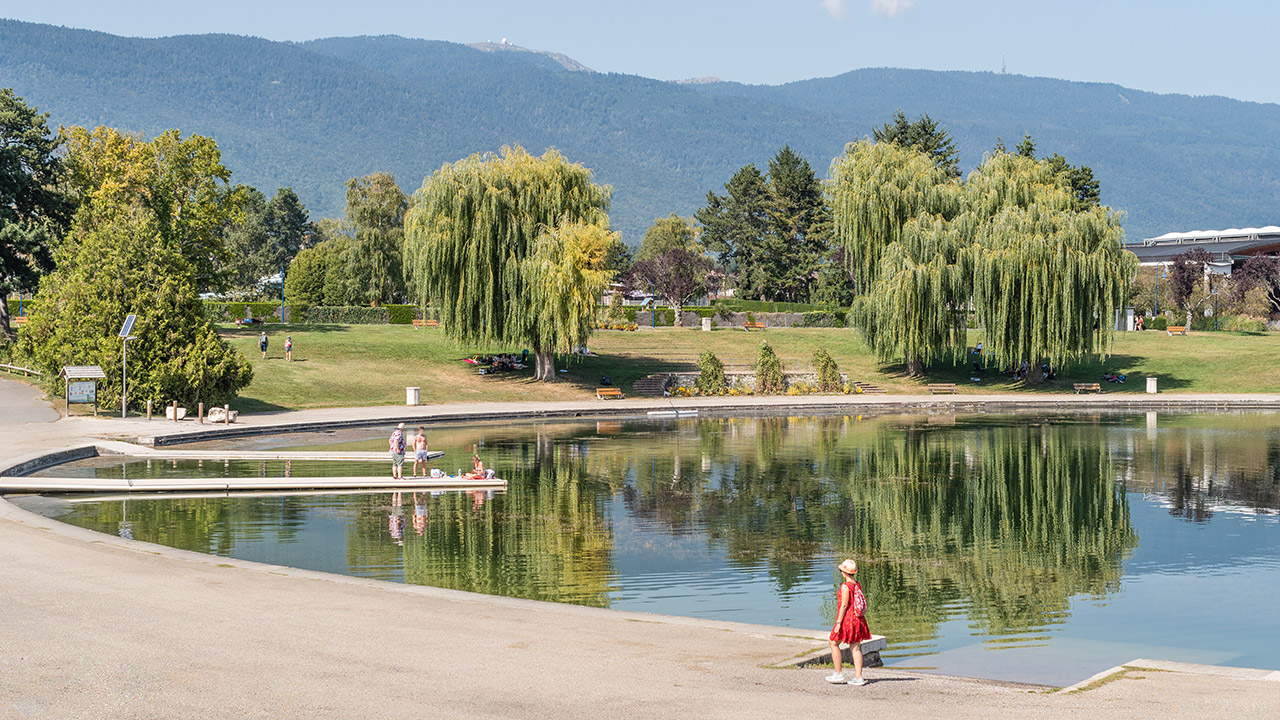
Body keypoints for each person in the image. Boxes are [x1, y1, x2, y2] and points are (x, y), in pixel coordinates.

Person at [826, 558, 871, 686]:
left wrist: (839, 622)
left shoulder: (846, 586)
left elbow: (844, 605)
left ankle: (838, 673)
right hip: (858, 619)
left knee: (833, 642)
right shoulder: (857, 584)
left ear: (844, 572)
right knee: (855, 647)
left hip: (847, 619)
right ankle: (858, 677)